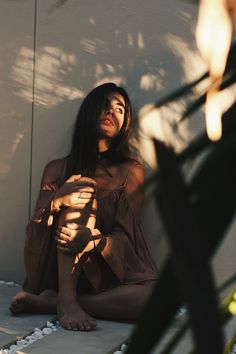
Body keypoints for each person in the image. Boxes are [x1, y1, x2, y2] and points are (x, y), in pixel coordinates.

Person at [10, 82, 158, 331]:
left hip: (106, 277)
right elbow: (35, 237)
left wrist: (92, 241)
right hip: (56, 273)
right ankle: (66, 297)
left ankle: (56, 303)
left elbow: (128, 239)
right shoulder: (56, 169)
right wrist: (57, 202)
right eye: (104, 105)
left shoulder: (131, 171)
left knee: (153, 299)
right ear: (89, 112)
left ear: (125, 124)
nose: (111, 111)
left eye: (119, 109)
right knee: (82, 187)